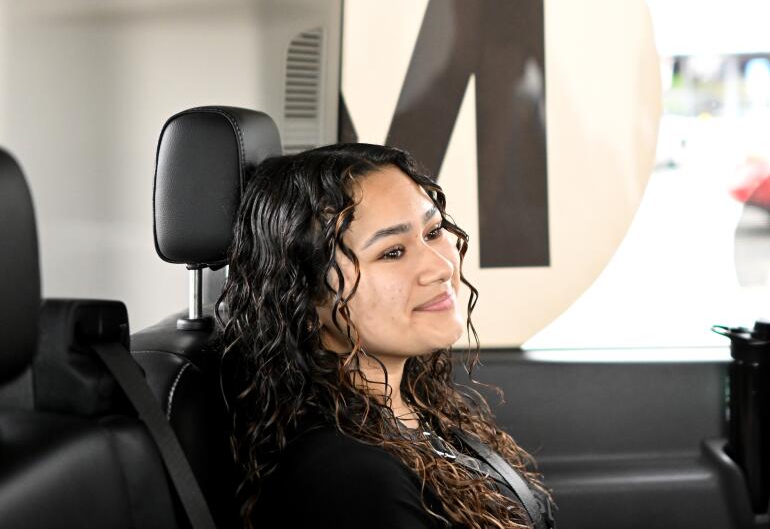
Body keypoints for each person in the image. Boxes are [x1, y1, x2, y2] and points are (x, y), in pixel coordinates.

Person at [219, 143, 554, 529]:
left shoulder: (410, 407)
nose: (441, 266)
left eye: (433, 231)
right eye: (392, 252)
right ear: (305, 297)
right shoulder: (352, 479)